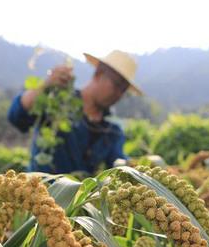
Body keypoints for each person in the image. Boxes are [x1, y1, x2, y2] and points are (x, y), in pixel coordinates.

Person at [7, 50, 141, 175]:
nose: (118, 94)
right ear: (99, 73)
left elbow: (118, 164)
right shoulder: (58, 102)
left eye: (123, 90)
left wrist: (137, 168)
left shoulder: (112, 131)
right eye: (117, 85)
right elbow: (16, 116)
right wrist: (46, 85)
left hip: (79, 200)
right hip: (40, 193)